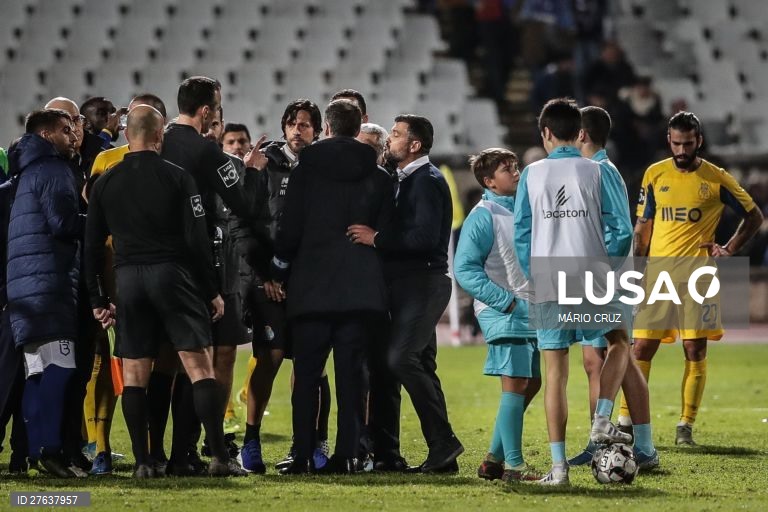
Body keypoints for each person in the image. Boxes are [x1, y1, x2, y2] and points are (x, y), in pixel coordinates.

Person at [84, 105, 246, 478]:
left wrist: (97, 299)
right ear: (159, 136)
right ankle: (220, 457)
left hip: (129, 281)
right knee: (197, 366)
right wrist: (211, 290)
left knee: (137, 374)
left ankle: (144, 462)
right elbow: (196, 241)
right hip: (172, 276)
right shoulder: (177, 177)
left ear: (127, 135)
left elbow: (91, 247)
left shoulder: (105, 181)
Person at [619, 111, 763, 446]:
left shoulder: (717, 178)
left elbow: (753, 215)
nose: (681, 149)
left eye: (688, 143)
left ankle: (685, 426)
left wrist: (729, 248)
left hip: (699, 276)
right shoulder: (655, 175)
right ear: (669, 140)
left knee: (694, 349)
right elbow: (643, 227)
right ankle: (625, 421)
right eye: (676, 143)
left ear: (698, 140)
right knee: (641, 347)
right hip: (657, 275)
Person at [513, 98, 633, 486]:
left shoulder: (531, 175)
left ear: (545, 132)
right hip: (591, 276)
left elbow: (522, 236)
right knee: (618, 342)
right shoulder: (598, 171)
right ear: (577, 131)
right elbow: (622, 231)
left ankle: (559, 470)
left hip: (549, 278)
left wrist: (536, 274)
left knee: (555, 374)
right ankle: (601, 418)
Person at [271, 99, 394, 474]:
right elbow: (388, 232)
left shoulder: (306, 170)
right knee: (352, 377)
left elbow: (289, 226)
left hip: (311, 286)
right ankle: (349, 455)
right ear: (358, 126)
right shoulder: (378, 176)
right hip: (359, 289)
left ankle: (304, 454)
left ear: (326, 126)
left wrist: (279, 266)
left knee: (307, 376)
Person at [348, 114, 463, 474]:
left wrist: (376, 238)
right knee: (420, 363)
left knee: (400, 359)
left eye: (395, 135)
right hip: (411, 284)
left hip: (423, 282)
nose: (389, 141)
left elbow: (425, 238)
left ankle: (444, 443)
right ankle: (440, 454)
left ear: (414, 145)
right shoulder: (406, 179)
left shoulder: (426, 180)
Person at [160, 76, 262, 475]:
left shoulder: (154, 142)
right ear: (206, 111)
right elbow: (242, 203)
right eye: (216, 108)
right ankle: (194, 453)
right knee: (198, 364)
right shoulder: (208, 152)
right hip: (196, 267)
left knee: (156, 367)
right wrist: (250, 170)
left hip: (145, 266)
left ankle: (155, 455)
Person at [237, 99, 329, 473]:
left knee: (313, 365)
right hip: (269, 282)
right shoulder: (264, 166)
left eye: (305, 124)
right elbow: (247, 225)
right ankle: (251, 439)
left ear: (318, 131)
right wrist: (266, 276)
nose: (297, 130)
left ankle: (309, 442)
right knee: (270, 357)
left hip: (310, 283)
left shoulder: (324, 167)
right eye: (292, 123)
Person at [567, 106, 659, 469]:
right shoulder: (596, 171)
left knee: (615, 346)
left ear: (582, 135)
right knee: (602, 359)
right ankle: (641, 448)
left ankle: (604, 430)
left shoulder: (601, 171)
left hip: (606, 276)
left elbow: (622, 231)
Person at [82, 93, 167, 475]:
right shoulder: (106, 160)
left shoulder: (162, 162)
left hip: (135, 275)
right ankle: (99, 446)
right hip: (120, 274)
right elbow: (94, 226)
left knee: (143, 365)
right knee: (106, 362)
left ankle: (148, 450)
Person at [453, 148, 542, 482]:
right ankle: (515, 467)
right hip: (504, 311)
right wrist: (505, 303)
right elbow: (464, 270)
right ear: (488, 181)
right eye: (507, 169)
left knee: (531, 382)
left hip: (528, 308)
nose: (516, 172)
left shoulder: (523, 209)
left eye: (516, 166)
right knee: (516, 385)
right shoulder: (483, 215)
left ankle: (493, 460)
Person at [6, 109, 85, 478]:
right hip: (49, 286)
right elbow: (64, 223)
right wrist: (97, 218)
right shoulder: (53, 170)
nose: (74, 136)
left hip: (25, 289)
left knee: (37, 372)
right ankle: (50, 450)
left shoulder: (25, 172)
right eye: (66, 130)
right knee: (61, 368)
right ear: (46, 134)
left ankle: (38, 447)